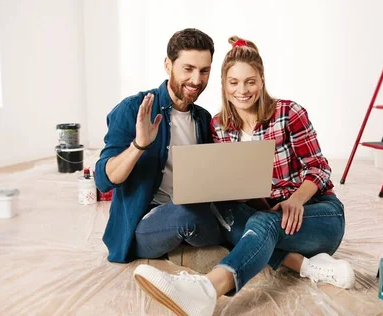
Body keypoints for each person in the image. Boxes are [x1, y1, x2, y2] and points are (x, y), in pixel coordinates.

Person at [133, 36, 355, 316]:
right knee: (224, 211)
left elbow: (319, 167)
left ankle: (206, 290)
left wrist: (296, 200)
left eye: (250, 81)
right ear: (224, 86)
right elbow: (228, 181)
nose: (242, 91)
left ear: (261, 80)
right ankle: (308, 266)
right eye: (234, 83)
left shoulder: (288, 113)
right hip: (267, 218)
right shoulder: (219, 126)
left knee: (259, 224)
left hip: (317, 214)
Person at [94, 28, 224, 264]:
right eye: (188, 69)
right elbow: (103, 180)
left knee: (236, 216)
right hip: (146, 223)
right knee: (185, 216)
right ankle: (195, 253)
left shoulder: (203, 119)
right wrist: (139, 145)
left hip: (193, 210)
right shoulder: (133, 109)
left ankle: (186, 251)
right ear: (168, 64)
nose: (196, 80)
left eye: (204, 71)